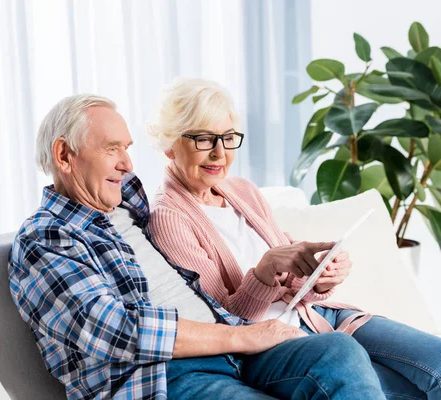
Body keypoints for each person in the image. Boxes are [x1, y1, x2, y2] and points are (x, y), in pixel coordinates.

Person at [8, 93, 387, 399]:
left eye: (126, 148)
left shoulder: (128, 206)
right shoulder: (47, 237)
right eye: (111, 149)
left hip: (232, 349)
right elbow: (114, 330)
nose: (127, 163)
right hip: (164, 376)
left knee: (339, 351)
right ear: (63, 156)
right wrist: (240, 335)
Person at [147, 77, 441, 399]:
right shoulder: (169, 218)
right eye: (204, 139)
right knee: (351, 358)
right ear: (170, 144)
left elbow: (289, 276)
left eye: (228, 138)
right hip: (264, 346)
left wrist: (318, 278)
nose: (220, 153)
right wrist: (264, 271)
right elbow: (223, 323)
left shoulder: (242, 191)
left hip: (319, 318)